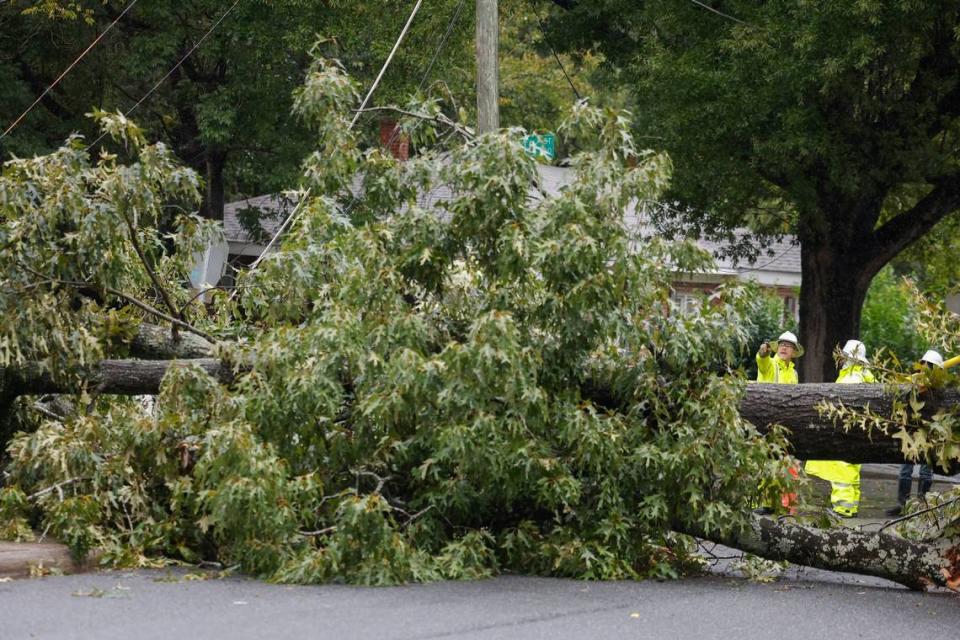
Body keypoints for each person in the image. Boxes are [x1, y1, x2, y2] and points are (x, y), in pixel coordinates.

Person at [805, 339, 875, 518]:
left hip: (846, 431)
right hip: (856, 431)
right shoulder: (861, 375)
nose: (841, 359)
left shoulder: (852, 377)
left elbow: (844, 406)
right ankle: (851, 507)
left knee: (841, 470)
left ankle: (843, 508)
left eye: (844, 356)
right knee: (851, 470)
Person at [885, 349, 944, 516]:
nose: (925, 367)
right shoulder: (913, 382)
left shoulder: (940, 388)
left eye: (929, 365)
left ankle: (921, 506)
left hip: (930, 433)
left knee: (926, 471)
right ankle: (902, 505)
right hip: (911, 431)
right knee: (905, 470)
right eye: (924, 364)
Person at [755, 331, 803, 513]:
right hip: (767, 422)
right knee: (769, 464)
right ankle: (767, 504)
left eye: (788, 346)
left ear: (794, 352)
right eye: (782, 344)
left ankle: (788, 506)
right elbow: (762, 362)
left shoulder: (794, 373)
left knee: (789, 465)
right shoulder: (771, 365)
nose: (784, 347)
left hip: (787, 425)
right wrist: (763, 353)